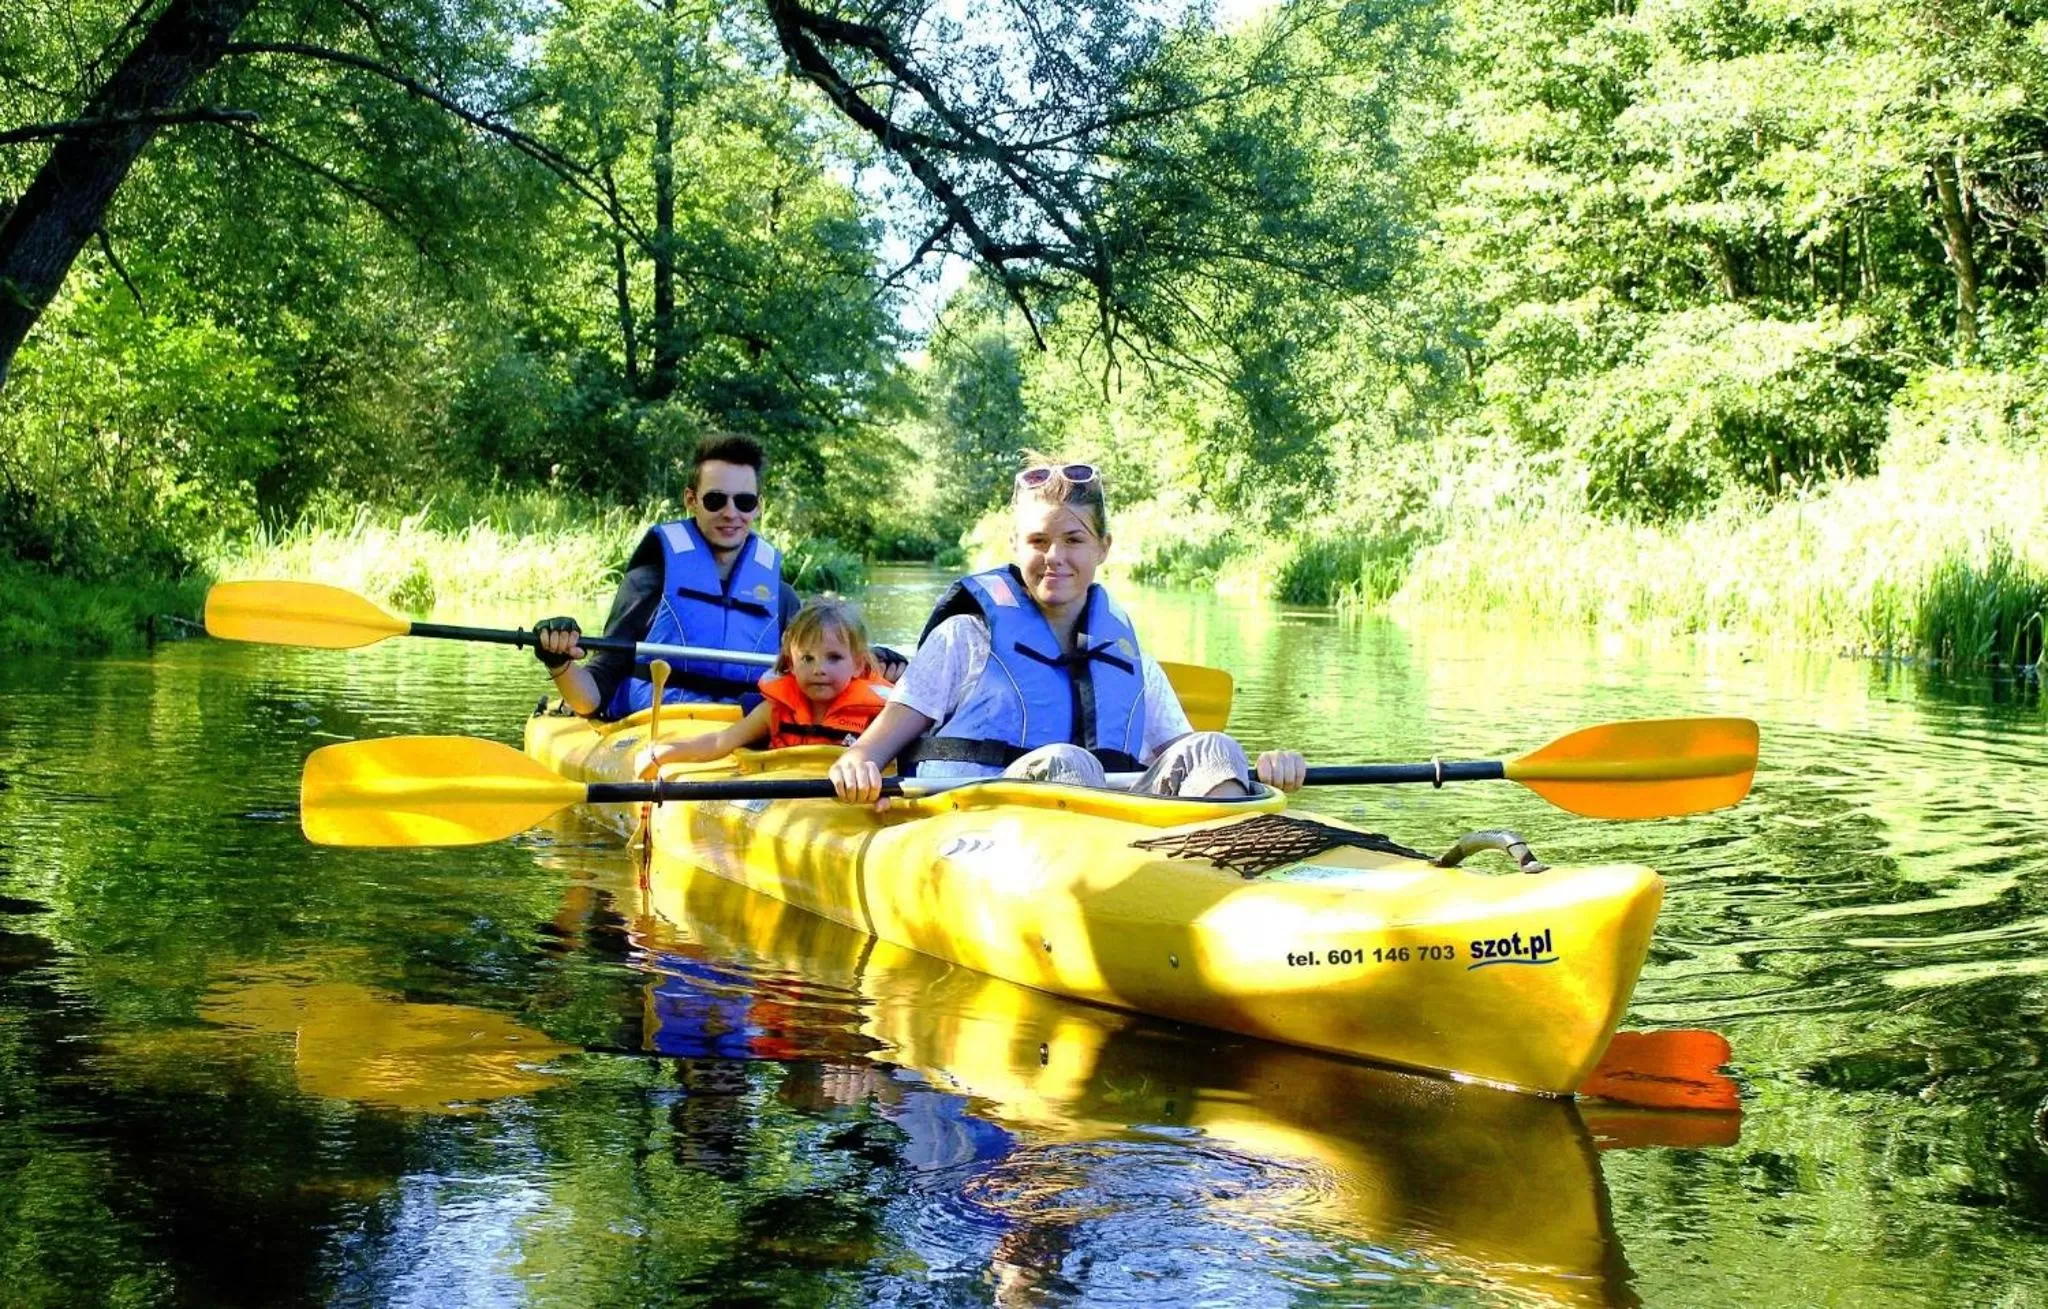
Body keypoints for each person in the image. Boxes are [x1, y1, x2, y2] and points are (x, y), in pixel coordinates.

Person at [828, 458, 1307, 807]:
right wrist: (857, 766)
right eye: (1038, 541)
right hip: (979, 834)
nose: (1054, 556)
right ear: (1016, 546)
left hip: (1114, 840)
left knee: (1215, 747)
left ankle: (1219, 874)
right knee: (1067, 763)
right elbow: (875, 747)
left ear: (1103, 548)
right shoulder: (964, 640)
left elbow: (1192, 765)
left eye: (1073, 540)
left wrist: (1261, 771)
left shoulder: (1134, 664)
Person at [534, 433, 901, 718]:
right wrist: (560, 662)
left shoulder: (781, 597)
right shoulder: (649, 582)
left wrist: (868, 662)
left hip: (747, 737)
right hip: (657, 734)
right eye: (715, 500)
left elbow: (820, 671)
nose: (731, 513)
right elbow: (593, 693)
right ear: (691, 500)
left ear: (758, 506)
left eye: (744, 501)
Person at [633, 599, 893, 776]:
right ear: (791, 663)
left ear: (858, 665)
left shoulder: (879, 719)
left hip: (842, 808)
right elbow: (721, 741)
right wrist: (667, 753)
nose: (819, 669)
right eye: (807, 658)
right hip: (782, 800)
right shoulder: (773, 711)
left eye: (834, 658)